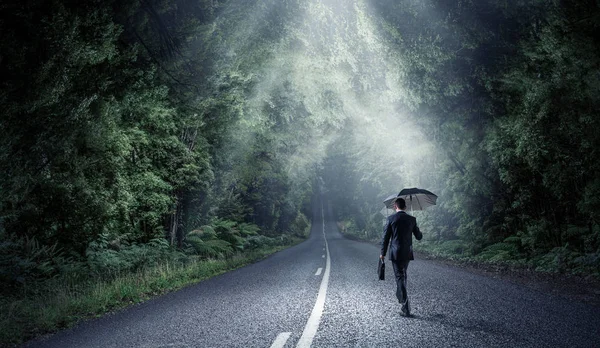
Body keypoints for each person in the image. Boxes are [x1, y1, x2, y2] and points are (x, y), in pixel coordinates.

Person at [380, 197, 422, 316]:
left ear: (395, 206)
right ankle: (401, 295)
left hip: (395, 252)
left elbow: (386, 238)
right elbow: (418, 236)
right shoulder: (412, 219)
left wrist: (382, 253)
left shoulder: (391, 219)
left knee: (400, 277)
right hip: (407, 253)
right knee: (403, 276)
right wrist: (419, 231)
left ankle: (405, 305)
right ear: (405, 207)